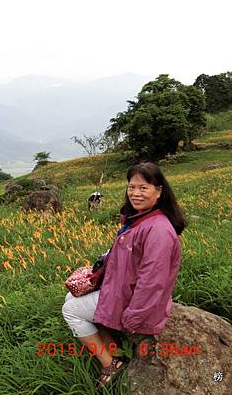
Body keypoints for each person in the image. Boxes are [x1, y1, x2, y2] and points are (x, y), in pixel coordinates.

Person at [62, 162, 185, 390]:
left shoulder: (157, 230)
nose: (135, 193)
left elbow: (152, 283)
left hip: (134, 304)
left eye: (143, 188)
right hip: (121, 288)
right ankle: (113, 349)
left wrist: (133, 318)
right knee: (71, 299)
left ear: (159, 191)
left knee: (69, 311)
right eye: (131, 187)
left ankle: (110, 364)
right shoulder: (141, 218)